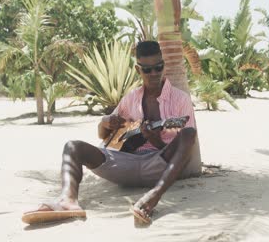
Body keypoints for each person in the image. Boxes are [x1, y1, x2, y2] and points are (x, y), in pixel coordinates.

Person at [22, 41, 198, 226]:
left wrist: (156, 141)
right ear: (138, 70)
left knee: (189, 133)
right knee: (73, 147)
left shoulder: (180, 99)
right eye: (147, 70)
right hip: (122, 163)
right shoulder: (130, 98)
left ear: (163, 65)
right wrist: (104, 122)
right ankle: (68, 200)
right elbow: (103, 136)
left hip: (158, 165)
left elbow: (185, 150)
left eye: (158, 67)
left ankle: (153, 197)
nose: (154, 73)